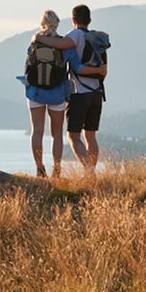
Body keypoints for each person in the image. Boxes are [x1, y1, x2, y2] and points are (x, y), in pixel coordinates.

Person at [23, 10, 106, 178]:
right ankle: (57, 169)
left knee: (37, 131)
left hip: (35, 92)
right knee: (56, 134)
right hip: (57, 93)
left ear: (42, 24)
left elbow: (27, 68)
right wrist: (99, 70)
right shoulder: (65, 45)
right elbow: (77, 68)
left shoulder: (34, 44)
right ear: (57, 24)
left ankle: (39, 168)